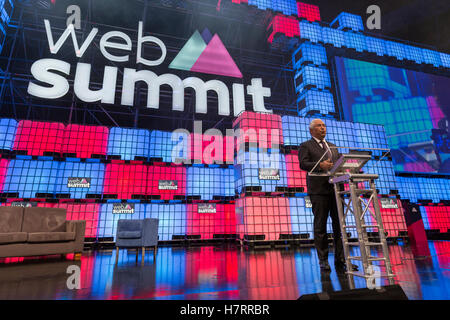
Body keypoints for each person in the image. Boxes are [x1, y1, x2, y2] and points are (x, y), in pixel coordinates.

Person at [298, 119, 358, 273]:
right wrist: (319, 165)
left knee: (339, 226)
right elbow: (303, 163)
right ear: (311, 130)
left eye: (324, 125)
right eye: (319, 126)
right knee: (320, 227)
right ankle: (323, 260)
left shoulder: (332, 146)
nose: (323, 128)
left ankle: (341, 260)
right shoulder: (306, 145)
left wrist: (349, 170)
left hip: (336, 189)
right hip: (319, 190)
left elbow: (339, 164)